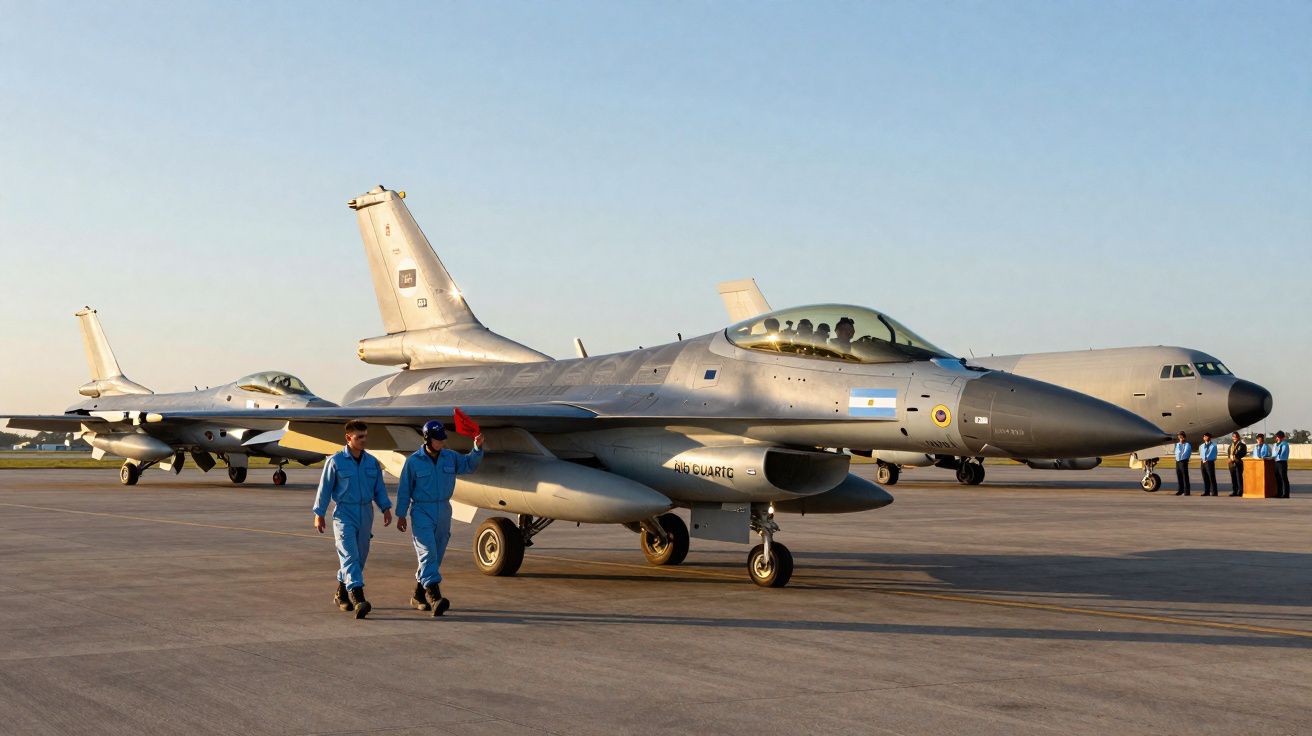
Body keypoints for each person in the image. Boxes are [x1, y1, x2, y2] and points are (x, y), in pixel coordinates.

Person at [396, 420, 485, 616]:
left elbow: (469, 465)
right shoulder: (413, 461)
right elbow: (404, 490)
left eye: (443, 439)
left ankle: (418, 595)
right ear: (427, 439)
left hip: (444, 510)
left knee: (435, 555)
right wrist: (401, 514)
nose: (442, 442)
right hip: (422, 511)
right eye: (438, 439)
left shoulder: (450, 457)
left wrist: (477, 448)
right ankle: (435, 597)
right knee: (427, 552)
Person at [313, 420, 392, 619]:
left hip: (366, 513)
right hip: (344, 514)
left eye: (365, 436)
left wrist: (386, 508)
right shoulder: (335, 461)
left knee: (359, 557)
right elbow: (324, 489)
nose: (364, 440)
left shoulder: (372, 462)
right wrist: (319, 514)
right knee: (349, 555)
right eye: (359, 437)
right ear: (348, 438)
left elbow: (379, 489)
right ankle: (358, 598)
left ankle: (341, 593)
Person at [1227, 432, 1247, 496]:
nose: (1235, 438)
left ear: (1238, 437)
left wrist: (1235, 457)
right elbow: (1229, 454)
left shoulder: (1242, 445)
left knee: (1239, 478)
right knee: (1233, 478)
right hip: (1231, 464)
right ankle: (1234, 491)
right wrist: (1229, 459)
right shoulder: (1230, 446)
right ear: (1232, 437)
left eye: (1236, 436)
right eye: (1233, 436)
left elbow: (1243, 453)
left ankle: (1240, 491)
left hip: (1238, 463)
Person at [1173, 432, 1192, 496]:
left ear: (1184, 437)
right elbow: (1176, 452)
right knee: (1179, 476)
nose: (1180, 438)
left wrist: (1180, 457)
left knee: (1185, 477)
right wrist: (1177, 458)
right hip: (1178, 462)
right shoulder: (1177, 444)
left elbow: (1185, 453)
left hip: (1183, 461)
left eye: (1181, 437)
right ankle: (1180, 490)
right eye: (1179, 437)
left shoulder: (1187, 445)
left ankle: (1187, 491)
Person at [1273, 431, 1291, 498]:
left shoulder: (1284, 444)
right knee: (1277, 478)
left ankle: (1286, 494)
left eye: (1280, 437)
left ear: (1283, 437)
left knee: (1283, 478)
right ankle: (1279, 493)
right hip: (1276, 462)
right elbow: (1273, 453)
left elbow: (1281, 453)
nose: (1278, 438)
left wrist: (1275, 455)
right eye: (1277, 437)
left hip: (1282, 462)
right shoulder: (1275, 444)